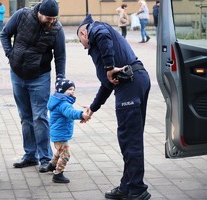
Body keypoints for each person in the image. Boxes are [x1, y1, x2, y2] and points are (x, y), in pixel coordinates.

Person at [77, 14, 151, 200]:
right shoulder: (101, 37)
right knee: (130, 138)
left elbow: (102, 36)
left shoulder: (97, 29)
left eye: (81, 42)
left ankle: (136, 188)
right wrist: (93, 108)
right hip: (134, 81)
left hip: (131, 84)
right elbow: (108, 83)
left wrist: (109, 66)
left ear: (84, 33)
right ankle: (127, 186)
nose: (85, 47)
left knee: (130, 139)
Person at [0, 0, 66, 173]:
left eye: (54, 18)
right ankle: (30, 155)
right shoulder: (22, 15)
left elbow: (60, 56)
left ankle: (45, 158)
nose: (52, 21)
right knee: (25, 116)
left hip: (40, 77)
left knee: (40, 117)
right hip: (17, 75)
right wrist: (10, 55)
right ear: (39, 12)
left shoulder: (57, 29)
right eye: (49, 17)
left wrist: (60, 79)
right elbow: (4, 34)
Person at [46, 74, 90, 183]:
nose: (72, 92)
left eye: (73, 89)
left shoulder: (57, 100)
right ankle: (58, 174)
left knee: (60, 151)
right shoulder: (64, 103)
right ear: (62, 90)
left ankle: (52, 165)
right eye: (69, 89)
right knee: (65, 155)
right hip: (60, 133)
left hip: (58, 132)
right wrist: (81, 114)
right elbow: (70, 112)